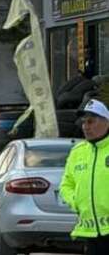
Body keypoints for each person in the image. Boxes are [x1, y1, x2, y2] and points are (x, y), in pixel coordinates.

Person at [61, 98, 109, 254]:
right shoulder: (77, 152)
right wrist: (76, 200)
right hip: (90, 233)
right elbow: (66, 184)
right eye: (83, 122)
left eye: (90, 122)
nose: (85, 127)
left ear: (106, 122)